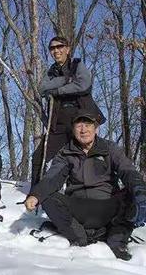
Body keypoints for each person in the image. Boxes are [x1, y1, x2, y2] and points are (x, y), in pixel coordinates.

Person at [25, 109, 146, 261]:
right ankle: (79, 237)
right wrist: (36, 195)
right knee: (48, 198)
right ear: (73, 129)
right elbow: (52, 178)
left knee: (134, 193)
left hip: (108, 207)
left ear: (96, 128)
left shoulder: (109, 148)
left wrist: (140, 191)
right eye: (79, 125)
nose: (83, 129)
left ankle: (117, 238)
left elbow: (128, 171)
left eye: (88, 124)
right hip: (79, 208)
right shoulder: (66, 153)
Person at [31, 36, 104, 186]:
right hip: (58, 123)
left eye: (60, 47)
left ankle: (89, 194)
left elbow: (83, 84)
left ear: (67, 49)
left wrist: (57, 90)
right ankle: (35, 194)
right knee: (39, 157)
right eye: (52, 48)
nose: (56, 50)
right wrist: (67, 80)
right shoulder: (51, 71)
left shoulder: (77, 65)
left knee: (83, 159)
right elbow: (42, 88)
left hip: (82, 120)